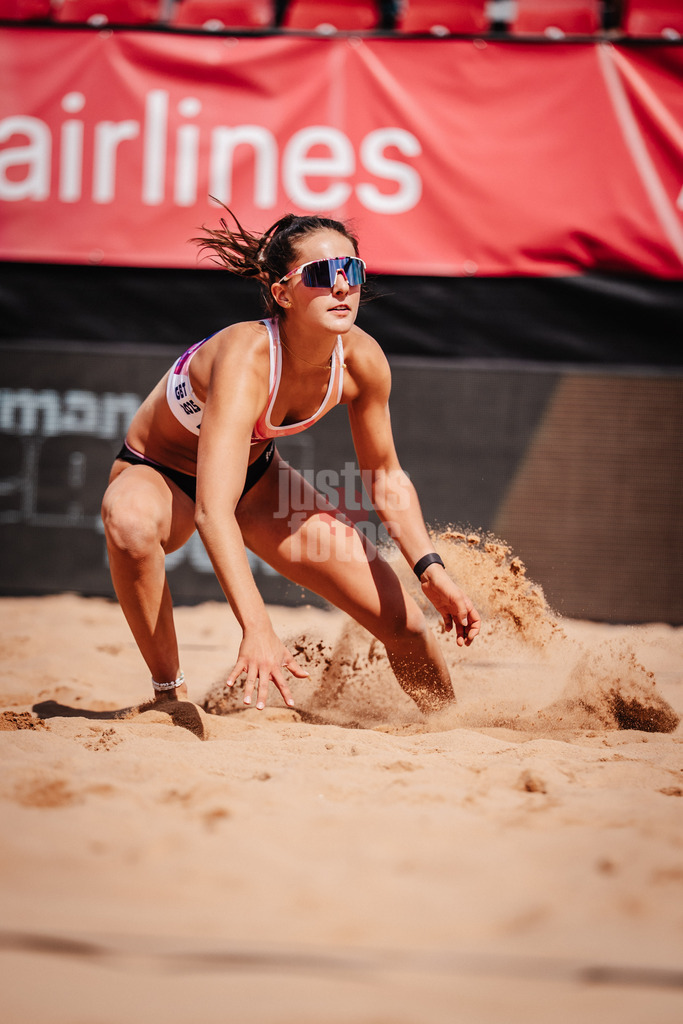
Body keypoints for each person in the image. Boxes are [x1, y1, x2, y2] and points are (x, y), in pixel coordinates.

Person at [101, 207, 481, 714]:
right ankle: (170, 695)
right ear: (282, 293)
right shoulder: (247, 355)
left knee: (406, 625)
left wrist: (430, 569)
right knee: (129, 523)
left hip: (255, 479)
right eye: (322, 274)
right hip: (160, 471)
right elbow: (212, 510)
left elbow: (386, 476)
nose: (342, 286)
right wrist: (257, 626)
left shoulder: (362, 360)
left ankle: (448, 727)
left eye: (353, 270)